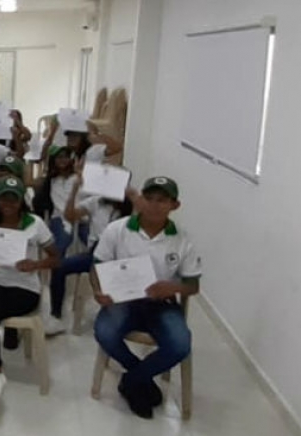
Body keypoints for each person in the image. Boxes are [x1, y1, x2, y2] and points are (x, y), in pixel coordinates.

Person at [92, 177, 200, 419]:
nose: (153, 205)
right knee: (105, 333)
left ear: (175, 205)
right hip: (123, 301)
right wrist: (99, 291)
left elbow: (193, 285)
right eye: (148, 199)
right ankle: (142, 380)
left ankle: (131, 381)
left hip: (161, 304)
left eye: (162, 201)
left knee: (181, 344)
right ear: (140, 199)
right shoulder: (117, 229)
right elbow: (97, 264)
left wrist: (172, 287)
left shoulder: (182, 239)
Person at [0, 176, 58, 399]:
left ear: (21, 201)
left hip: (25, 286)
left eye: (13, 200)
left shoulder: (34, 223)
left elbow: (56, 258)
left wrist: (35, 264)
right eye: (3, 199)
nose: (8, 205)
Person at [44, 171, 133, 334]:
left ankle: (116, 312)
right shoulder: (96, 202)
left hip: (120, 255)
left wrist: (133, 195)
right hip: (95, 252)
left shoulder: (131, 207)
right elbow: (70, 216)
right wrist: (74, 191)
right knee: (59, 266)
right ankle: (56, 315)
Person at [31, 147, 89, 260]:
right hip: (59, 219)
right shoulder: (51, 181)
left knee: (95, 248)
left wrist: (80, 174)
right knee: (60, 247)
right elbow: (29, 183)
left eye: (65, 157)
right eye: (59, 157)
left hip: (81, 219)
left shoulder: (79, 178)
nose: (62, 160)